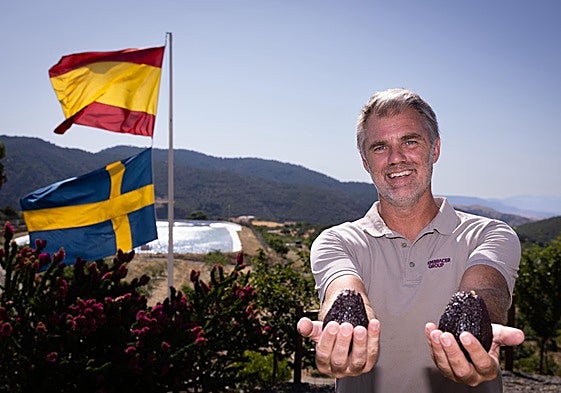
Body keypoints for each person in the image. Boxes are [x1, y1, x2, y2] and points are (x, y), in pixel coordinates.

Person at [297, 88, 525, 392]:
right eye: (379, 147)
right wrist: (340, 331)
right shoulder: (337, 241)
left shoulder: (490, 234)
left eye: (410, 141)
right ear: (365, 161)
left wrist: (476, 327)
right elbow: (344, 291)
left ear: (435, 149)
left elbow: (485, 290)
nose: (396, 158)